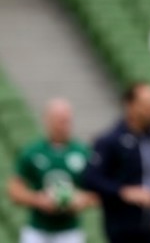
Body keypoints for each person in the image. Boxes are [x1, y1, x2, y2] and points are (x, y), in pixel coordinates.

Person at [82, 81, 150, 243]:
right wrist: (123, 191)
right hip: (123, 229)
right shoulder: (110, 141)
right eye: (146, 105)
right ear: (130, 105)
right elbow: (91, 179)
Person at [6, 97, 99, 243]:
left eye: (67, 120)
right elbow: (14, 190)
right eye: (59, 120)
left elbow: (99, 192)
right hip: (37, 230)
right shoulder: (33, 152)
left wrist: (80, 200)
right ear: (47, 120)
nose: (63, 125)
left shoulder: (82, 153)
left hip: (69, 231)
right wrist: (37, 200)